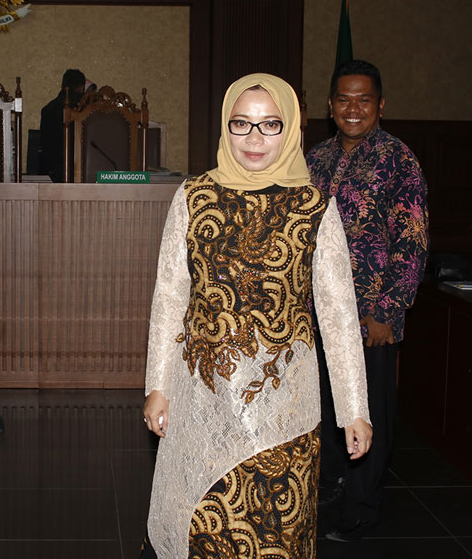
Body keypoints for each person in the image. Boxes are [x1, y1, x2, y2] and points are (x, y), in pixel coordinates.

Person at [141, 73, 372, 559]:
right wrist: (157, 386)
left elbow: (339, 316)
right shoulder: (193, 197)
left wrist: (354, 409)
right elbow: (170, 299)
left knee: (274, 536)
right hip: (203, 402)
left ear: (291, 130)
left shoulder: (315, 206)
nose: (254, 138)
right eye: (241, 123)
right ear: (226, 127)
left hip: (284, 409)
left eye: (270, 125)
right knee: (202, 530)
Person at [306, 59, 429, 542]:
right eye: (344, 99)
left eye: (363, 100)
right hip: (317, 312)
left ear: (380, 105)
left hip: (369, 315)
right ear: (330, 105)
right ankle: (334, 483)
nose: (352, 109)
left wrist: (388, 310)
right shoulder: (314, 159)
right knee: (325, 406)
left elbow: (412, 240)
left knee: (368, 410)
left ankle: (362, 508)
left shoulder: (399, 160)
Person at [38, 69, 86, 183]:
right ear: (81, 87)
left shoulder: (47, 109)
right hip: (80, 171)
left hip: (54, 172)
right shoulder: (85, 109)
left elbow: (45, 146)